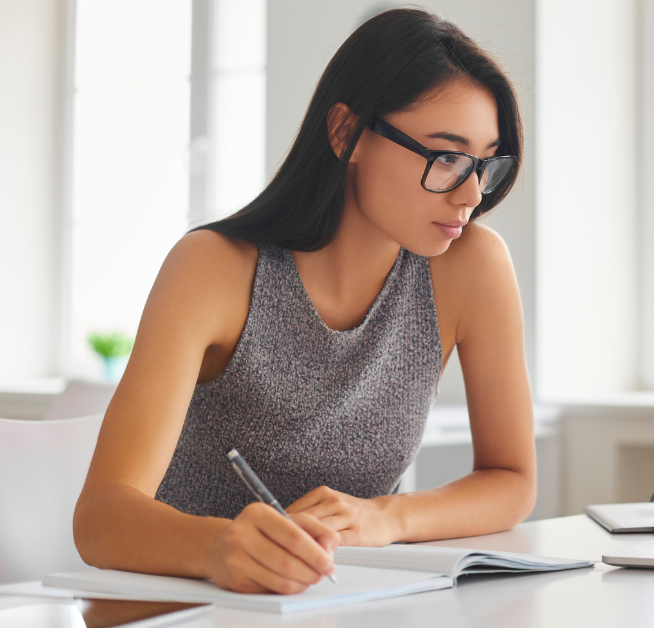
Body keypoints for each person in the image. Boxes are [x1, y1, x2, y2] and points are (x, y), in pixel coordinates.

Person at [73, 8, 535, 595]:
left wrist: (386, 517)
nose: (471, 194)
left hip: (336, 601)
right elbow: (100, 519)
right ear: (346, 132)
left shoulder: (472, 266)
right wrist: (218, 547)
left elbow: (511, 479)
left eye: (484, 164)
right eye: (445, 157)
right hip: (183, 606)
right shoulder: (214, 267)